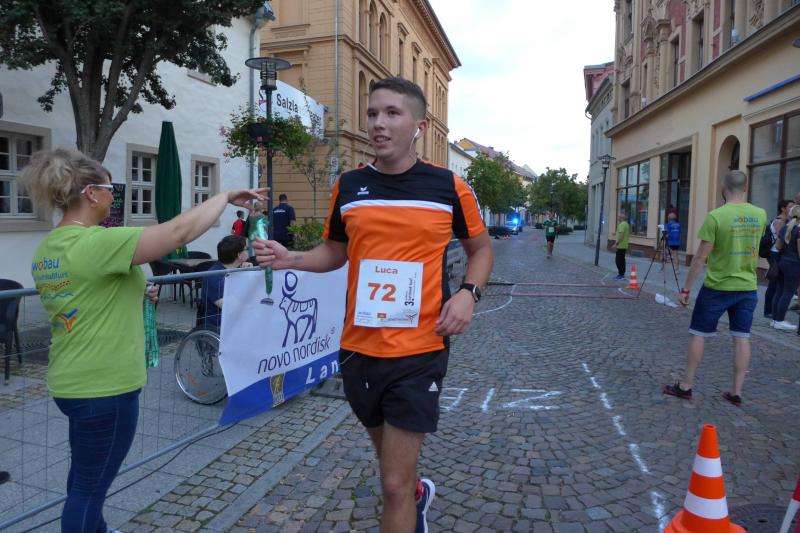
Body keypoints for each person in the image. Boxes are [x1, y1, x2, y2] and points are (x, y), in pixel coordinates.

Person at [255, 77, 493, 533]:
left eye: (392, 113)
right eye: (372, 113)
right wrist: (292, 259)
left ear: (419, 126)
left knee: (392, 483)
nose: (378, 123)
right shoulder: (349, 186)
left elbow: (481, 250)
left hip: (420, 350)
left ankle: (408, 496)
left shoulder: (448, 187)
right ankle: (417, 495)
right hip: (359, 349)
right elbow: (335, 252)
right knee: (389, 463)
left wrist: (468, 293)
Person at [22, 148, 265, 533]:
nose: (114, 197)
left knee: (85, 478)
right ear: (90, 194)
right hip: (105, 385)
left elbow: (86, 297)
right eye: (110, 189)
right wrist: (223, 196)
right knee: (88, 489)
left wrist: (134, 293)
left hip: (71, 379)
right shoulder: (97, 243)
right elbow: (179, 232)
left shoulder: (50, 247)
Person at [663, 170, 767, 406]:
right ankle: (736, 391)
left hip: (718, 286)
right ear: (745, 188)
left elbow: (700, 258)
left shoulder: (716, 217)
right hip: (747, 286)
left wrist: (686, 289)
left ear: (723, 188)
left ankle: (686, 385)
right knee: (742, 337)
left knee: (698, 333)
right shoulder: (760, 214)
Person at [200, 235, 252, 329]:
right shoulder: (214, 276)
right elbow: (233, 308)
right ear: (239, 255)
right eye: (246, 249)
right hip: (218, 327)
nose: (248, 251)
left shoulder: (238, 269)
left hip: (235, 323)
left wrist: (248, 272)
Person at [770, 204, 800, 330]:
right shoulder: (798, 230)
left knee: (779, 291)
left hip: (782, 262)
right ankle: (780, 321)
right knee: (788, 293)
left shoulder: (785, 228)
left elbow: (777, 247)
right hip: (794, 265)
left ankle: (774, 320)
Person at [764, 199, 794, 319]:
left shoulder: (788, 221)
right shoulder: (780, 221)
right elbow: (780, 239)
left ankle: (771, 310)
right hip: (775, 254)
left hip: (779, 254)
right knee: (774, 282)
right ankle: (768, 310)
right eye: (790, 207)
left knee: (776, 283)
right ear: (783, 208)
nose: (792, 209)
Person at [609, 210, 630, 280]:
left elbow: (622, 236)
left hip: (620, 245)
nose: (618, 218)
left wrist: (616, 244)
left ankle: (621, 275)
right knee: (622, 260)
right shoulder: (626, 224)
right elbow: (622, 233)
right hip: (624, 245)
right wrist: (616, 233)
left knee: (618, 260)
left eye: (619, 217)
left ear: (621, 217)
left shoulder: (621, 225)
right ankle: (622, 274)